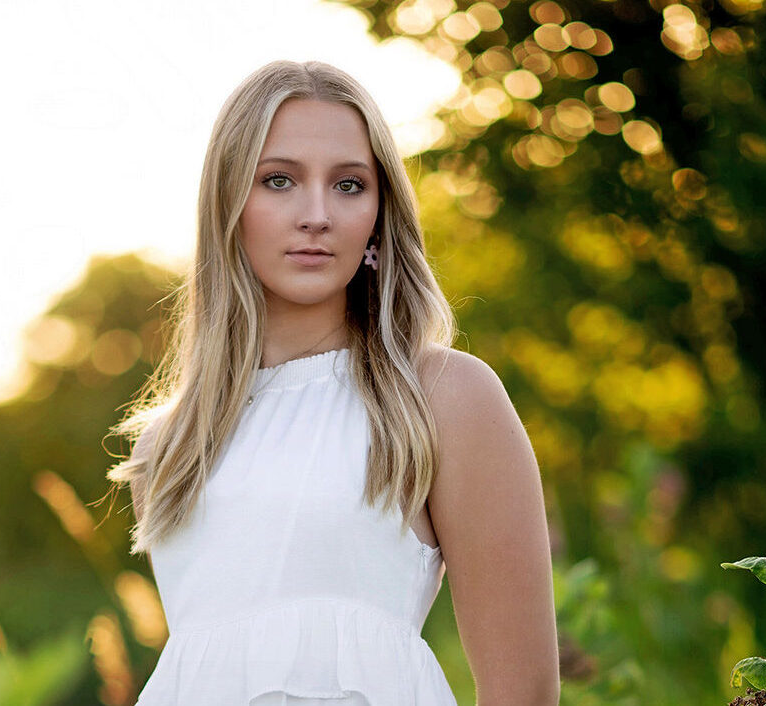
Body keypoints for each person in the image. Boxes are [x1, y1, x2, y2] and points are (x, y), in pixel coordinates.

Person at [104, 59, 560, 705]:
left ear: (379, 214)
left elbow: (525, 693)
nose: (316, 214)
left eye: (349, 185)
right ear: (228, 204)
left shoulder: (445, 397)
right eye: (279, 180)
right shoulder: (169, 444)